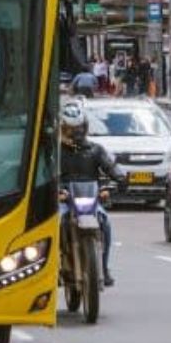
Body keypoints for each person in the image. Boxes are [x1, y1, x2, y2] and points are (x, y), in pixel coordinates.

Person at [59, 101, 121, 287]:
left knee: (105, 223)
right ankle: (55, 267)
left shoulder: (96, 150)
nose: (75, 133)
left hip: (90, 200)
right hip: (64, 199)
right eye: (71, 129)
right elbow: (43, 174)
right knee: (57, 223)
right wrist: (54, 190)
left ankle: (103, 266)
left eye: (79, 128)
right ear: (62, 129)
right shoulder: (55, 151)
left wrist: (114, 182)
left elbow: (112, 168)